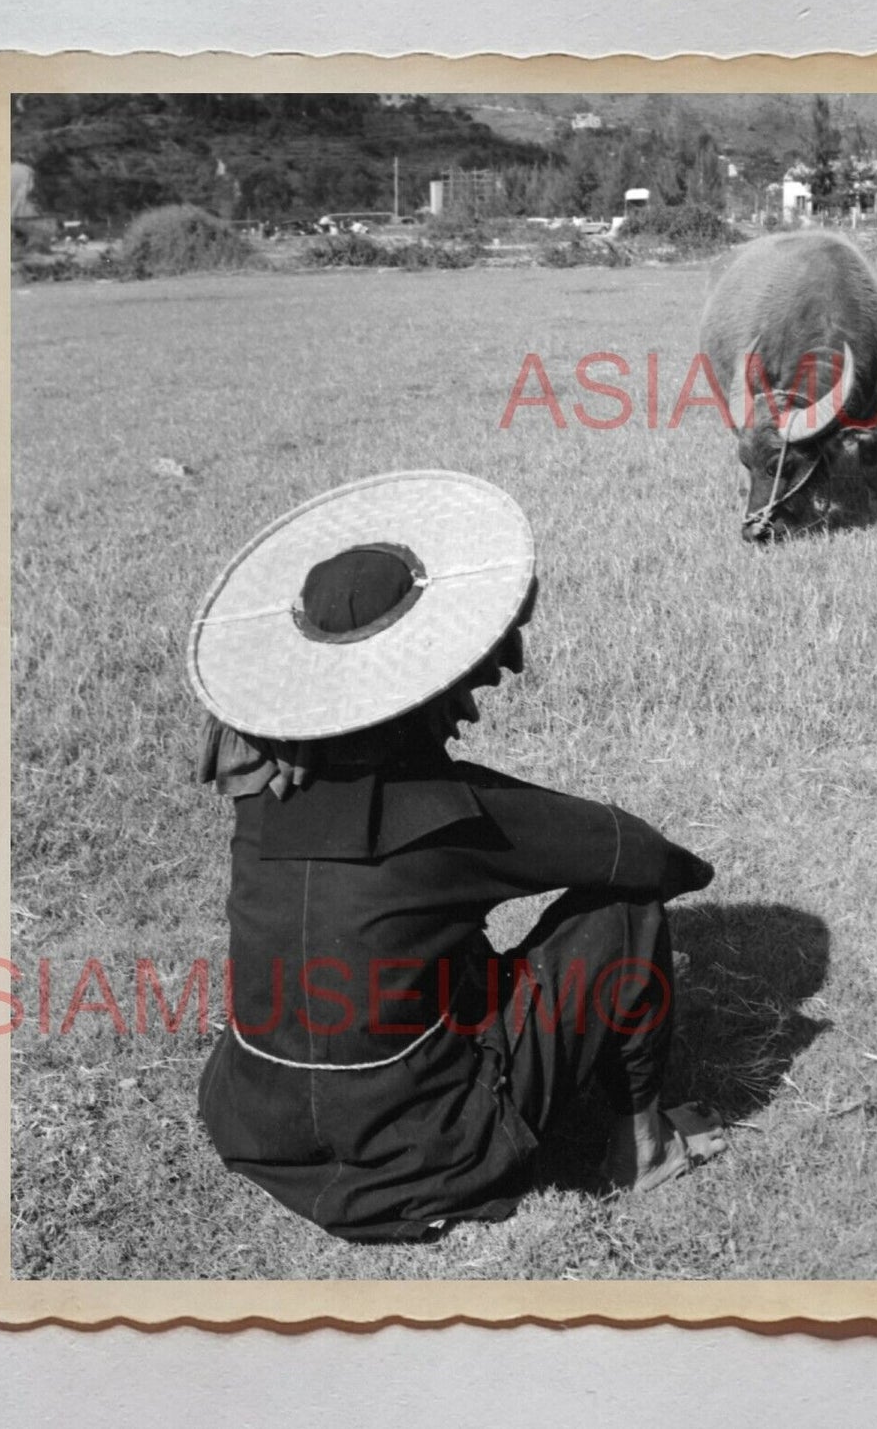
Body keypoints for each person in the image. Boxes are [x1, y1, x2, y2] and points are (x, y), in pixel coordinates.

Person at [186, 471, 725, 1244]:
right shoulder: (452, 812)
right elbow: (643, 857)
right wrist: (683, 878)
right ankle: (643, 1150)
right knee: (626, 914)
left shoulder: (260, 795)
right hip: (427, 1157)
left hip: (258, 1130)